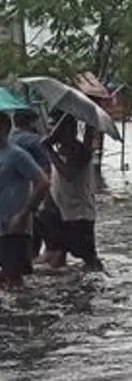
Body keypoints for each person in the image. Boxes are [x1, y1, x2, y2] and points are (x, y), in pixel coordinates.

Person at [41, 118, 103, 271]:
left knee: (89, 258)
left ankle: (100, 285)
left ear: (71, 131)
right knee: (57, 253)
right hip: (61, 211)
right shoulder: (62, 150)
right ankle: (65, 287)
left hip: (79, 214)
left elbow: (69, 174)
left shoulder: (81, 151)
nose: (52, 133)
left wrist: (49, 150)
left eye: (56, 130)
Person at [0, 113, 50, 289]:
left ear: (3, 129)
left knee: (14, 280)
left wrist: (25, 213)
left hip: (14, 228)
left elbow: (43, 182)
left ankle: (25, 313)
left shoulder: (17, 155)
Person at [9, 110, 54, 260]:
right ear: (32, 122)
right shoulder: (36, 141)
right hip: (32, 193)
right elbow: (46, 169)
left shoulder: (10, 141)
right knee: (33, 233)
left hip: (11, 199)